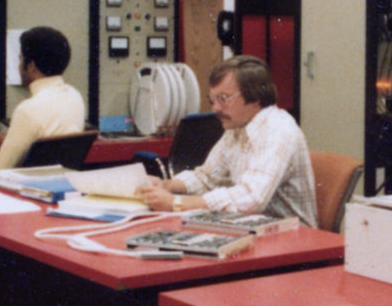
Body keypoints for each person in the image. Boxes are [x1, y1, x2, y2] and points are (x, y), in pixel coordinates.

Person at [136, 55, 317, 227]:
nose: (215, 108)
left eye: (223, 99)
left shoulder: (278, 129)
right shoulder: (237, 127)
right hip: (254, 228)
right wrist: (166, 185)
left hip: (293, 239)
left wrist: (176, 203)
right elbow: (207, 178)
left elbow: (251, 198)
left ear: (255, 97)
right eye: (213, 100)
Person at [0, 26, 85, 179]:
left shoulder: (28, 110)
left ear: (31, 66)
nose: (19, 66)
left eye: (21, 59)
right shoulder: (74, 97)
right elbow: (42, 143)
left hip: (27, 192)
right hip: (58, 188)